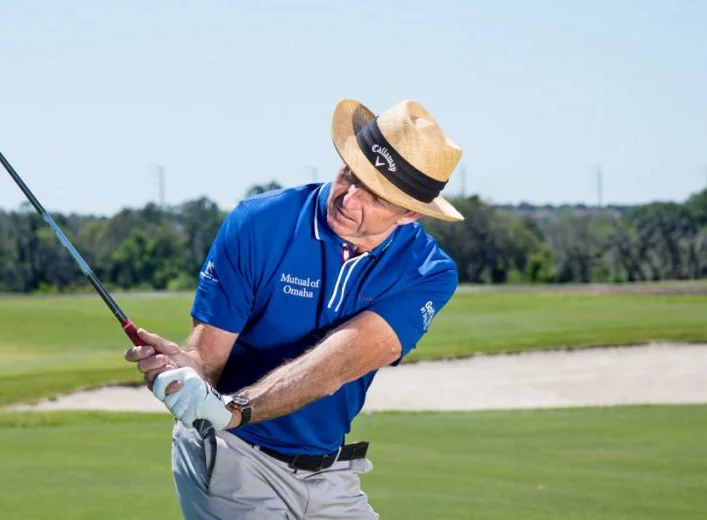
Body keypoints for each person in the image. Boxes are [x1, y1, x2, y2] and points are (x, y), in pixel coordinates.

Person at [124, 98, 465, 519]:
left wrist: (236, 408)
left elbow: (335, 365)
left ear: (410, 214)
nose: (348, 198)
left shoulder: (426, 272)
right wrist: (185, 373)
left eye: (375, 197)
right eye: (349, 174)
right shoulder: (260, 223)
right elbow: (207, 359)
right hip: (233, 458)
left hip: (330, 473)